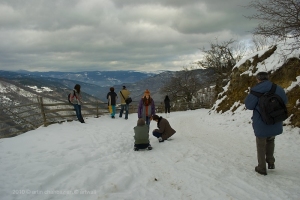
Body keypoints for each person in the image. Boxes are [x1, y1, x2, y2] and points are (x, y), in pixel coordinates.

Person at [244, 72, 288, 176]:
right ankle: (271, 162)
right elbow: (284, 101)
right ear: (268, 78)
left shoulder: (255, 90)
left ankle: (261, 167)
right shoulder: (278, 88)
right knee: (271, 140)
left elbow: (249, 105)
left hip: (261, 121)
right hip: (274, 119)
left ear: (258, 79)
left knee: (261, 144)